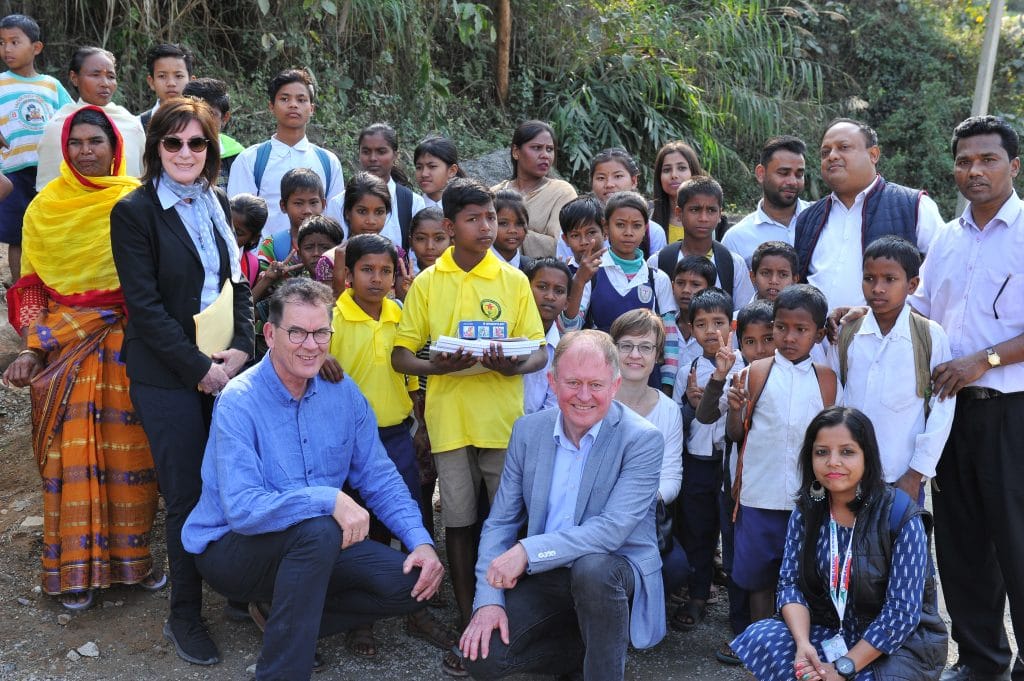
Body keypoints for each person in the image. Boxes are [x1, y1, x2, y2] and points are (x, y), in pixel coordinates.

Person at [181, 278, 444, 680]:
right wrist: (328, 499)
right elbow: (243, 510)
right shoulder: (239, 401)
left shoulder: (343, 393)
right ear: (270, 334)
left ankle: (287, 616)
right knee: (320, 526)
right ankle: (282, 671)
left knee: (411, 584)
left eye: (321, 332)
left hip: (311, 550)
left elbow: (379, 475)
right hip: (233, 550)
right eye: (297, 332)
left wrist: (420, 541)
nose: (311, 345)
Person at [110, 97, 254, 666]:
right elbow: (143, 309)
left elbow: (240, 283)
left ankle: (239, 588)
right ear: (156, 150)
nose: (186, 152)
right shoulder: (135, 211)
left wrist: (241, 349)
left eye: (197, 143)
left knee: (234, 479)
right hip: (167, 375)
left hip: (221, 367)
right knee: (188, 494)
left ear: (211, 152)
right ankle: (185, 615)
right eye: (174, 142)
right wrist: (201, 371)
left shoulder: (216, 203)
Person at [2, 106, 161, 610]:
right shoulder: (44, 208)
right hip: (62, 347)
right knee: (65, 460)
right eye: (76, 143)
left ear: (116, 149)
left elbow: (156, 282)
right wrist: (32, 345)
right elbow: (30, 289)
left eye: (96, 142)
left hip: (129, 347)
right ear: (64, 151)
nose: (86, 151)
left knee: (130, 456)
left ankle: (132, 564)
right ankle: (72, 573)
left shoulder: (139, 202)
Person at [455, 330, 665, 681]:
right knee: (481, 658)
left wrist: (527, 550)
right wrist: (488, 599)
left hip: (613, 573)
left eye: (596, 385)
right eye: (573, 383)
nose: (584, 396)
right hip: (549, 571)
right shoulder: (527, 431)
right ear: (552, 382)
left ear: (614, 386)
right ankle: (583, 649)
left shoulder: (642, 439)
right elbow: (500, 522)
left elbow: (611, 531)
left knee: (593, 570)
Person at [391, 178, 548, 631]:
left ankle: (504, 616)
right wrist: (438, 367)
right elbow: (402, 353)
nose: (486, 227)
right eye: (473, 219)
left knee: (505, 523)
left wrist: (512, 368)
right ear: (449, 225)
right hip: (450, 421)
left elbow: (538, 350)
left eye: (491, 218)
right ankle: (466, 616)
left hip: (503, 422)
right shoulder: (427, 283)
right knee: (458, 522)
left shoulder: (513, 279)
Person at [910, 115, 1024, 681]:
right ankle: (981, 663)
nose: (974, 171)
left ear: (1014, 166)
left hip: (1011, 413)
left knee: (1017, 542)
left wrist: (985, 359)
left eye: (987, 160)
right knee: (961, 544)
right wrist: (866, 315)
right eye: (964, 161)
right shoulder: (948, 240)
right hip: (951, 415)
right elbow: (924, 311)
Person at [732, 407, 946, 681]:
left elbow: (901, 614)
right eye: (821, 452)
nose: (833, 462)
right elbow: (790, 584)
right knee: (762, 636)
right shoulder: (809, 509)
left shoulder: (901, 516)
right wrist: (803, 644)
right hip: (832, 629)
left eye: (847, 451)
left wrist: (844, 668)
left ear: (867, 456)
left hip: (895, 643)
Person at [726, 284, 838, 626]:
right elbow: (735, 435)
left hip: (808, 501)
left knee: (802, 578)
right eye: (781, 327)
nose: (789, 337)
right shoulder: (752, 374)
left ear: (818, 335)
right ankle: (764, 644)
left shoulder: (827, 381)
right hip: (759, 496)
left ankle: (796, 645)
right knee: (759, 579)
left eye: (801, 330)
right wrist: (734, 411)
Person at [830, 235, 954, 506]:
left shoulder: (929, 336)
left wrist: (916, 473)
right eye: (869, 278)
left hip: (901, 475)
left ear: (912, 285)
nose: (877, 288)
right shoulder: (848, 332)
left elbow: (942, 410)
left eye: (889, 279)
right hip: (848, 473)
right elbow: (835, 398)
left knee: (898, 544)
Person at [794, 118, 945, 309]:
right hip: (817, 337)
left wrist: (899, 312)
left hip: (886, 334)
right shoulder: (809, 218)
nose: (832, 156)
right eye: (825, 152)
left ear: (873, 154)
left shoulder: (914, 205)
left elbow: (943, 267)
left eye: (844, 147)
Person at [712, 299, 776, 665]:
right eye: (750, 342)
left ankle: (775, 633)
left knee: (774, 567)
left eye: (768, 339)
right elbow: (730, 431)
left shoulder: (798, 375)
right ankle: (742, 632)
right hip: (739, 487)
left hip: (779, 489)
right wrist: (734, 403)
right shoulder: (739, 376)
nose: (760, 349)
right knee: (739, 561)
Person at [675, 287, 742, 632]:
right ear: (691, 328)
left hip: (731, 462)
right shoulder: (688, 368)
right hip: (698, 462)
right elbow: (678, 420)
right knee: (699, 531)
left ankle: (741, 606)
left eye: (719, 322)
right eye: (702, 324)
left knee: (732, 532)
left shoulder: (744, 365)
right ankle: (699, 594)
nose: (712, 331)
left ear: (732, 325)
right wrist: (689, 403)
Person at [609, 309, 687, 597]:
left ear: (657, 356)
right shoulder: (595, 401)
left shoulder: (668, 411)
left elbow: (671, 477)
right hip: (594, 513)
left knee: (675, 567)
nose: (635, 355)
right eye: (626, 345)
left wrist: (640, 497)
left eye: (645, 347)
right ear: (613, 349)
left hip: (644, 514)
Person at [0, 13, 73, 282]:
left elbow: (69, 117)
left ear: (36, 47)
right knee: (17, 235)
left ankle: (51, 283)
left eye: (15, 42)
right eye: (2, 42)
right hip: (12, 172)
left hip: (49, 174)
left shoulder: (51, 86)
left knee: (51, 231)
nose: (7, 49)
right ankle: (20, 289)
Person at [227, 68, 344, 235]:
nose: (293, 104)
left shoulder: (329, 162)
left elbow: (335, 218)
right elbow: (237, 220)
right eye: (284, 99)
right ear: (271, 106)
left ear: (311, 108)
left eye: (301, 99)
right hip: (262, 258)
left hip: (316, 257)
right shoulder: (250, 160)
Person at [35, 46, 145, 190]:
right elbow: (47, 190)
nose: (105, 83)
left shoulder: (131, 123)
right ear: (74, 78)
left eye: (111, 77)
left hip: (124, 210)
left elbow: (141, 179)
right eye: (95, 75)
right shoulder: (58, 126)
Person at [570, 191, 676, 333]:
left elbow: (670, 335)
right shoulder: (590, 274)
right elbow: (569, 327)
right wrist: (579, 281)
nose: (628, 232)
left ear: (645, 229)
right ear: (606, 227)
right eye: (620, 225)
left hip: (644, 355)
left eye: (637, 226)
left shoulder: (658, 279)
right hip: (601, 354)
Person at [650, 176, 756, 309]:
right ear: (679, 213)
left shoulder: (733, 264)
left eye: (711, 210)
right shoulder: (659, 262)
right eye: (695, 210)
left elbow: (742, 315)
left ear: (719, 215)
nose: (703, 218)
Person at [326, 123, 423, 249]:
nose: (373, 158)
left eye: (381, 152)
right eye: (366, 152)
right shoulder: (339, 203)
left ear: (395, 155)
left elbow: (415, 256)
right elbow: (333, 252)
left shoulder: (412, 203)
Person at [491, 120, 578, 258]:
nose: (545, 155)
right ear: (516, 152)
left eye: (549, 149)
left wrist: (502, 232)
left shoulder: (562, 192)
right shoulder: (495, 193)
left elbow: (561, 245)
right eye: (536, 148)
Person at [722, 135, 810, 267]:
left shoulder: (821, 220)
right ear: (761, 173)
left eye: (799, 174)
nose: (792, 182)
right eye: (783, 173)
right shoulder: (736, 238)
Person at [590, 147, 667, 258]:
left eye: (618, 176)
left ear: (634, 181)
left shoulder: (653, 232)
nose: (609, 184)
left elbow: (656, 272)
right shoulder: (578, 226)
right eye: (601, 178)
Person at [663, 255, 716, 397]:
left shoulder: (716, 332)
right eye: (680, 283)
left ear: (709, 288)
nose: (686, 290)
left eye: (695, 284)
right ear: (672, 285)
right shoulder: (663, 325)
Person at [523, 257, 571, 414]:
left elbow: (554, 404)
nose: (550, 296)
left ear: (566, 303)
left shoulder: (566, 350)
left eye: (559, 291)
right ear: (524, 290)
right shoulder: (507, 337)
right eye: (542, 287)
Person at [182, 78, 242, 187]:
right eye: (191, 112)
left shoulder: (238, 158)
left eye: (210, 114)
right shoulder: (173, 151)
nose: (200, 120)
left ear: (225, 118)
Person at [650, 140, 704, 244]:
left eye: (682, 168)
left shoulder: (715, 221)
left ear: (694, 172)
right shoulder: (647, 219)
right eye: (666, 170)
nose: (674, 175)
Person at [137, 43, 193, 129]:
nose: (171, 83)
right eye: (162, 76)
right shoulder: (137, 126)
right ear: (151, 82)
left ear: (191, 81)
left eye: (179, 76)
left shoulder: (204, 124)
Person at [415, 135, 464, 210]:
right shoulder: (411, 208)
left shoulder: (466, 207)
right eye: (419, 167)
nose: (424, 174)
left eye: (432, 166)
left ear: (452, 171)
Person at [230, 193, 268, 288]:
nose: (229, 235)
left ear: (253, 238)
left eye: (238, 234)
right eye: (226, 226)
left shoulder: (251, 265)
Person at [492, 188, 531, 272]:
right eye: (503, 223)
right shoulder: (475, 264)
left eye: (519, 224)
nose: (512, 230)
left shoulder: (531, 269)